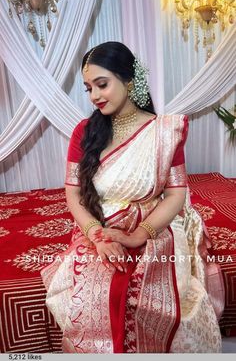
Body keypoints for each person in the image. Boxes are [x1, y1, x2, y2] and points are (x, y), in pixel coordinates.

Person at [41, 41, 224, 353]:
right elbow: (73, 194)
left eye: (102, 84)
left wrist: (139, 235)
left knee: (155, 301)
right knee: (95, 297)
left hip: (153, 227)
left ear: (129, 80)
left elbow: (176, 193)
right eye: (88, 88)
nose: (95, 96)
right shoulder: (84, 132)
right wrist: (98, 236)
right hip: (99, 227)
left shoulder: (164, 131)